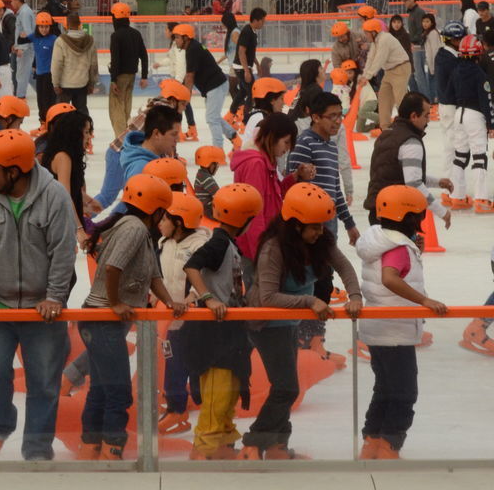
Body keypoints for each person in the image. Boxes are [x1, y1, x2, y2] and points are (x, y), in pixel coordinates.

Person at [0, 128, 77, 462]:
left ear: (14, 171)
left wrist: (55, 296)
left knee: (43, 383)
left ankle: (37, 449)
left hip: (43, 311)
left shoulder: (54, 196)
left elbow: (63, 251)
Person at [241, 183, 362, 459]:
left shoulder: (320, 241)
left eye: (322, 226)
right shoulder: (274, 249)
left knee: (284, 385)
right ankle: (253, 442)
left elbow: (344, 266)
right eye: (314, 227)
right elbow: (269, 297)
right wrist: (309, 301)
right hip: (267, 325)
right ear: (295, 225)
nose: (320, 232)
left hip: (289, 323)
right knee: (287, 388)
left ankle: (276, 446)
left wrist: (354, 295)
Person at [79, 174, 186, 460]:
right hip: (102, 319)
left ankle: (90, 446)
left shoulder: (136, 228)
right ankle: (112, 449)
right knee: (118, 392)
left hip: (98, 319)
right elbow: (113, 267)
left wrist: (169, 301)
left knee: (101, 389)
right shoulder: (135, 229)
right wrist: (115, 303)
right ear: (157, 210)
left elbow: (152, 275)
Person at [356, 185, 447, 458]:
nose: (421, 221)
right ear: (407, 217)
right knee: (405, 393)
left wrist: (414, 250)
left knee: (385, 388)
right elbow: (390, 277)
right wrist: (424, 301)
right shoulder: (397, 247)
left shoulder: (379, 237)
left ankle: (372, 442)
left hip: (377, 329)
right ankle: (388, 446)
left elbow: (396, 270)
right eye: (418, 216)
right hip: (395, 330)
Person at [183, 183, 263, 460]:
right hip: (215, 332)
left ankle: (224, 441)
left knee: (229, 388)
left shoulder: (228, 243)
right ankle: (205, 448)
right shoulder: (218, 242)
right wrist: (208, 298)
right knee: (218, 392)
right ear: (246, 219)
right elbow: (191, 265)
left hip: (228, 329)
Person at [231, 113, 315, 284]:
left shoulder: (266, 162)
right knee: (260, 300)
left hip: (267, 244)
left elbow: (275, 197)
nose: (287, 149)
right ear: (271, 137)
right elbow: (254, 214)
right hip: (257, 249)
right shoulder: (256, 165)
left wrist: (296, 176)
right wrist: (263, 256)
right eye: (286, 142)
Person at [156, 192, 211, 433]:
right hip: (172, 317)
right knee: (174, 363)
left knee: (197, 366)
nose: (160, 223)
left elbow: (206, 277)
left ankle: (200, 407)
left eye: (165, 218)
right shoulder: (164, 243)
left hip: (196, 318)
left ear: (179, 223)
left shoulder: (200, 245)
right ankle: (177, 409)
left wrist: (193, 299)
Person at [364, 92, 452, 227]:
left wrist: (437, 182)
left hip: (377, 211)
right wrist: (442, 212)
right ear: (414, 116)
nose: (428, 120)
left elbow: (399, 174)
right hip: (397, 214)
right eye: (426, 115)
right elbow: (414, 183)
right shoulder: (410, 142)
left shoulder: (386, 134)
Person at [288, 92, 360, 244]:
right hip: (309, 223)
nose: (338, 121)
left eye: (340, 115)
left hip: (329, 219)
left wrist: (349, 224)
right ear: (316, 118)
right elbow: (292, 188)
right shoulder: (304, 143)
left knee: (326, 266)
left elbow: (334, 188)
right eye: (332, 116)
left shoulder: (331, 146)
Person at [441, 34, 494, 212]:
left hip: (458, 114)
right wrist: (491, 124)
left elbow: (448, 95)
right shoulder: (480, 74)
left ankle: (457, 197)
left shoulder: (456, 70)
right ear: (477, 54)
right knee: (479, 156)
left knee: (460, 156)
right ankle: (481, 199)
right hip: (475, 116)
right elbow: (486, 100)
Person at [41, 107, 91, 241]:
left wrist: (87, 200)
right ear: (75, 134)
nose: (89, 137)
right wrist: (79, 229)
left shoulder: (65, 154)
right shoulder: (63, 157)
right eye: (86, 132)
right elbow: (65, 196)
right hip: (56, 224)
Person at [175, 23, 229, 145]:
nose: (175, 40)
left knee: (212, 118)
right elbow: (189, 75)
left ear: (186, 38)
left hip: (216, 86)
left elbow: (190, 76)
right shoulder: (193, 47)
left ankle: (218, 150)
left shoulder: (192, 49)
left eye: (177, 37)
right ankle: (235, 138)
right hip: (215, 86)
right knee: (214, 117)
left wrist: (185, 97)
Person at [360, 18, 413, 130]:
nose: (365, 35)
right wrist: (364, 75)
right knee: (383, 98)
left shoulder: (385, 39)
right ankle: (385, 127)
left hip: (400, 68)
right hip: (389, 71)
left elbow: (379, 59)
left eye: (366, 33)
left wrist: (368, 76)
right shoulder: (375, 41)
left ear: (374, 32)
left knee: (400, 99)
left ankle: (409, 125)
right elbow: (371, 58)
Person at [107, 2, 149, 137]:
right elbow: (144, 55)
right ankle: (127, 135)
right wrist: (144, 76)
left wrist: (113, 79)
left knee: (116, 109)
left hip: (120, 77)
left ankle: (121, 139)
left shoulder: (116, 36)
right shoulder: (136, 33)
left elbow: (116, 59)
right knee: (126, 108)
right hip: (132, 75)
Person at [433, 20, 465, 177]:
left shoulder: (446, 55)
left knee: (453, 144)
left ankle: (452, 181)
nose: (461, 42)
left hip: (448, 105)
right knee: (452, 145)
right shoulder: (448, 58)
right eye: (458, 39)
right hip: (450, 106)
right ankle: (449, 183)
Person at [50, 12, 98, 113]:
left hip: (65, 85)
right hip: (82, 83)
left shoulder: (60, 41)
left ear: (67, 25)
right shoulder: (90, 40)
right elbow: (93, 65)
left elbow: (57, 65)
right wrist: (91, 84)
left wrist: (55, 83)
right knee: (81, 114)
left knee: (61, 114)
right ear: (80, 24)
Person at [120, 104, 182, 180]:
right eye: (174, 134)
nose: (178, 139)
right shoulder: (140, 169)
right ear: (156, 134)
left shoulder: (161, 156)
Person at [19, 11, 60, 122]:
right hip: (39, 74)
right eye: (41, 27)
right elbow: (21, 40)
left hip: (50, 75)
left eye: (46, 27)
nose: (44, 29)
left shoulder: (54, 39)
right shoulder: (35, 37)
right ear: (37, 27)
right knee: (40, 100)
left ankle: (51, 121)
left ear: (50, 27)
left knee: (49, 100)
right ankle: (42, 121)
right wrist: (20, 35)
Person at [235, 8, 266, 116]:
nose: (264, 23)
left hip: (244, 67)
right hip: (241, 67)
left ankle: (231, 115)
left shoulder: (253, 33)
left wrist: (257, 64)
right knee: (252, 92)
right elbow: (241, 52)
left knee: (243, 92)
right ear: (256, 20)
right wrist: (246, 71)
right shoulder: (247, 31)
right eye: (263, 20)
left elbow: (250, 52)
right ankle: (246, 118)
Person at [242, 78, 287, 150]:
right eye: (281, 98)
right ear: (272, 100)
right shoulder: (262, 120)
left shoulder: (258, 116)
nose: (283, 103)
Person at [399, 0, 427, 99]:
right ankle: (421, 96)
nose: (404, 3)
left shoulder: (418, 12)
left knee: (419, 74)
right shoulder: (413, 13)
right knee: (417, 73)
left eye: (405, 1)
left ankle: (423, 96)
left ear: (412, 0)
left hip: (419, 46)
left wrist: (412, 39)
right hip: (416, 45)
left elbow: (421, 30)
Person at [10, 0, 36, 99]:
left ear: (17, 1)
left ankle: (20, 98)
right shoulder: (24, 11)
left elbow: (27, 32)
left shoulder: (24, 13)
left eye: (12, 1)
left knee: (21, 76)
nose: (11, 3)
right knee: (26, 75)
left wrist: (21, 48)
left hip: (25, 49)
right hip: (24, 48)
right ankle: (46, 94)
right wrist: (16, 45)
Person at [194, 145, 226, 214]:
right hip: (208, 210)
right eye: (217, 164)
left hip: (206, 207)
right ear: (210, 164)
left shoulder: (201, 174)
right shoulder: (206, 178)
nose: (217, 168)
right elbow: (218, 195)